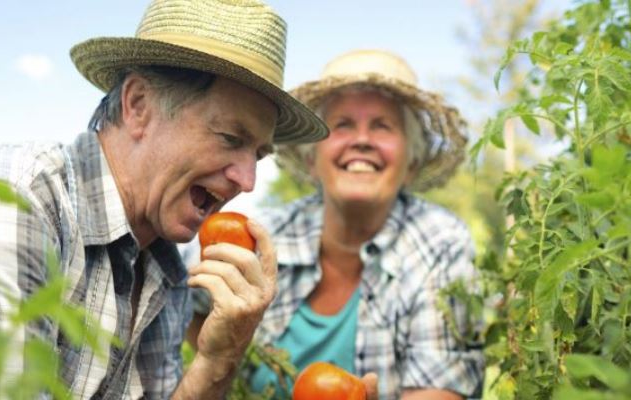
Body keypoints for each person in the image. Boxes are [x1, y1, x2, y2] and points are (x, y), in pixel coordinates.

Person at [0, 0, 327, 398]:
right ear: (139, 105)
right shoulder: (11, 205)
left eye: (259, 155)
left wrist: (218, 359)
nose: (247, 180)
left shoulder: (165, 274)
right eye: (230, 138)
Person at [187, 49, 485, 399]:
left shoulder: (440, 242)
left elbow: (439, 390)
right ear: (312, 159)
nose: (362, 140)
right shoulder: (261, 233)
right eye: (343, 125)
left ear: (412, 162)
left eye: (382, 126)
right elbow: (188, 303)